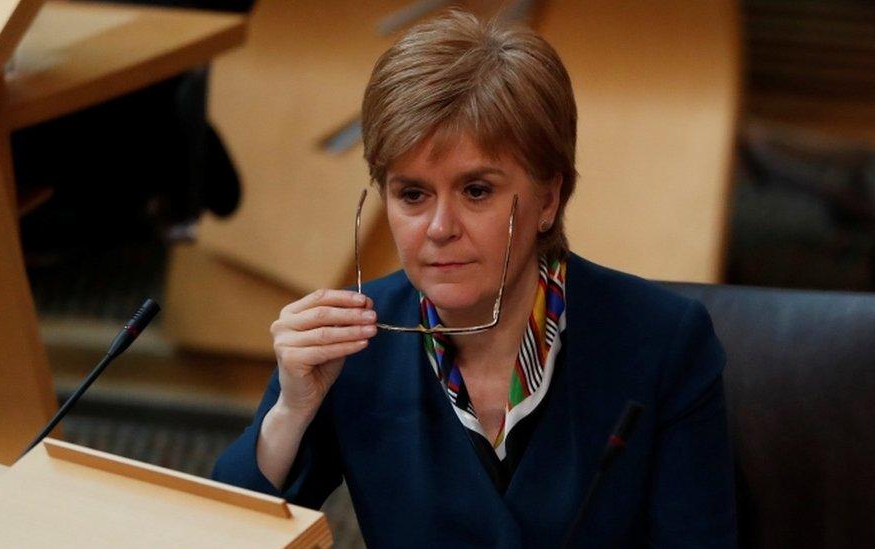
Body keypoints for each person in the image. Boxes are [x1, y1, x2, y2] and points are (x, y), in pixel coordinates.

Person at [213, 10, 736, 547]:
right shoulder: (349, 342)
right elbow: (223, 537)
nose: (439, 228)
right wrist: (290, 413)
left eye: (476, 191)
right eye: (412, 194)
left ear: (548, 199)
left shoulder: (662, 343)